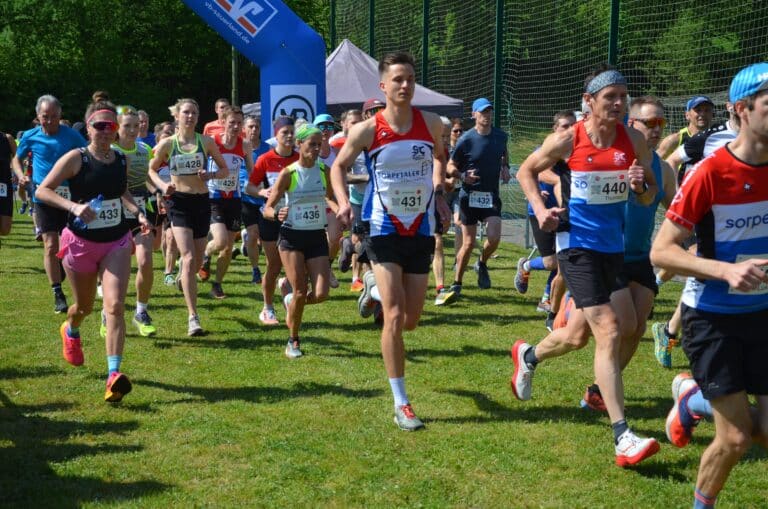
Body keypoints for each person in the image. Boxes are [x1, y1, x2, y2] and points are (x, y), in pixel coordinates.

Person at [513, 65, 660, 467]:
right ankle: (622, 435)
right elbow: (525, 170)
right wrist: (540, 209)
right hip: (576, 247)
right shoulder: (569, 138)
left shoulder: (633, 139)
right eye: (610, 97)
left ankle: (528, 356)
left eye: (623, 96)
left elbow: (650, 195)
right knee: (610, 330)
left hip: (612, 249)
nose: (618, 103)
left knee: (584, 335)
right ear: (589, 101)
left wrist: (640, 187)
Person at [650, 62, 768, 509]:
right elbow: (662, 252)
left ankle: (694, 401)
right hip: (713, 317)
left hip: (763, 313)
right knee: (736, 437)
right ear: (742, 109)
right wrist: (725, 271)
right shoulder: (710, 173)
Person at [331, 51, 451, 431]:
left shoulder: (432, 123)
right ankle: (402, 402)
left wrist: (440, 194)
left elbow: (440, 158)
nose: (405, 85)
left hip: (420, 228)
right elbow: (338, 166)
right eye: (398, 79)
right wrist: (342, 204)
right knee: (395, 317)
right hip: (382, 227)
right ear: (383, 86)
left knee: (411, 321)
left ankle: (373, 288)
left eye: (410, 78)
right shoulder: (367, 130)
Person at [35, 101, 150, 402]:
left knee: (114, 306)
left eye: (111, 126)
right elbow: (42, 190)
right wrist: (73, 207)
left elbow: (121, 191)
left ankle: (113, 376)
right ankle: (71, 329)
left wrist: (138, 212)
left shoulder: (120, 159)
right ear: (88, 128)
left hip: (116, 242)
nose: (106, 131)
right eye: (100, 126)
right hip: (80, 244)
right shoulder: (77, 158)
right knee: (84, 307)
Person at [651, 103, 741, 368]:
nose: (702, 115)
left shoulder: (759, 138)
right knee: (698, 264)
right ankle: (672, 330)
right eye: (697, 110)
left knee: (709, 272)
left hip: (738, 218)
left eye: (706, 110)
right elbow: (670, 160)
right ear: (733, 106)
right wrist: (680, 195)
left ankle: (668, 327)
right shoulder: (705, 138)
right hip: (701, 217)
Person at [148, 98, 230, 336]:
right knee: (188, 256)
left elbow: (225, 170)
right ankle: (193, 317)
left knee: (195, 262)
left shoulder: (206, 142)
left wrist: (210, 175)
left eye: (194, 112)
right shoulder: (168, 143)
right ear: (177, 116)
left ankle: (183, 278)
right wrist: (162, 186)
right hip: (179, 202)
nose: (190, 116)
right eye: (186, 112)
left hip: (201, 202)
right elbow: (150, 169)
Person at [263, 125, 336, 358]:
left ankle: (289, 300)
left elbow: (330, 197)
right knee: (301, 291)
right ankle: (293, 340)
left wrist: (341, 210)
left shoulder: (324, 170)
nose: (316, 149)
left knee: (322, 294)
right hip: (291, 236)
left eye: (319, 145)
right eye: (311, 144)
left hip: (316, 236)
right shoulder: (289, 173)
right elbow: (267, 208)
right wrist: (277, 213)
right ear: (299, 145)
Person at [13, 95, 87, 313]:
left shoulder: (72, 135)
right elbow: (16, 158)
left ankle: (62, 268)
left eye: (54, 116)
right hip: (43, 197)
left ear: (60, 115)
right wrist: (21, 175)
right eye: (45, 117)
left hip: (68, 198)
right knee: (51, 244)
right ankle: (58, 293)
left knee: (70, 245)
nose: (50, 121)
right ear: (38, 116)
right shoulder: (31, 136)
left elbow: (87, 155)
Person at [514, 110, 575, 327]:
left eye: (573, 125)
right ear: (554, 129)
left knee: (563, 260)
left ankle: (547, 299)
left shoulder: (573, 152)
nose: (570, 130)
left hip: (564, 214)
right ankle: (526, 265)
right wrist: (546, 190)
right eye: (564, 126)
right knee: (552, 262)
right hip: (541, 214)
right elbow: (536, 173)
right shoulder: (545, 151)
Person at [447, 97, 510, 295]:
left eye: (489, 111)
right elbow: (450, 166)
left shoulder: (500, 136)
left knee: (494, 238)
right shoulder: (466, 139)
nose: (487, 116)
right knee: (468, 243)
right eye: (482, 112)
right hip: (469, 196)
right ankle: (457, 282)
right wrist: (462, 176)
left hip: (490, 195)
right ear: (474, 115)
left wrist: (505, 167)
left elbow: (503, 154)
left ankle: (481, 262)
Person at [111, 105, 161, 337]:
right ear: (117, 127)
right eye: (127, 126)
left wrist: (159, 192)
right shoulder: (111, 151)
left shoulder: (144, 149)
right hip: (115, 213)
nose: (133, 130)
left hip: (141, 210)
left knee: (145, 260)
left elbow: (147, 178)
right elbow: (117, 186)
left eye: (136, 125)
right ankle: (107, 313)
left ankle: (141, 311)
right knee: (115, 268)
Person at [245, 116, 299, 326]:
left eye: (291, 132)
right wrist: (261, 192)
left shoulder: (300, 158)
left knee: (299, 264)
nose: (289, 136)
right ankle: (267, 308)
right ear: (276, 135)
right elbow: (249, 187)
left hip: (295, 217)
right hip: (270, 217)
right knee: (274, 265)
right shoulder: (265, 159)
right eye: (284, 132)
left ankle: (285, 286)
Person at [199, 106, 253, 298]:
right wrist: (203, 174)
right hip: (214, 198)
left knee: (228, 248)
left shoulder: (244, 145)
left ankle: (217, 285)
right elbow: (200, 163)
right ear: (223, 122)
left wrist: (259, 185)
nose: (236, 127)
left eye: (239, 123)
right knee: (220, 241)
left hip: (234, 199)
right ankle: (205, 255)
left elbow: (252, 170)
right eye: (232, 123)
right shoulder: (212, 142)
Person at [331, 108, 369, 292]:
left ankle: (369, 280)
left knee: (371, 240)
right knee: (361, 239)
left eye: (360, 122)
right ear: (343, 124)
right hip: (356, 199)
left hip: (377, 198)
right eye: (354, 122)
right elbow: (342, 174)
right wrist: (366, 178)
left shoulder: (368, 139)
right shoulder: (340, 144)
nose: (358, 126)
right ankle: (356, 277)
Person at [240, 114, 272, 284]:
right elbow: (237, 174)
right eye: (250, 127)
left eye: (256, 127)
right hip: (247, 199)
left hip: (266, 200)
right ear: (244, 129)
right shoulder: (239, 149)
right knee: (253, 235)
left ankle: (270, 270)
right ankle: (255, 270)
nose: (253, 130)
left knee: (268, 239)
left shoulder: (268, 149)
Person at [314, 113, 342, 289]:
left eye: (329, 126)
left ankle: (327, 266)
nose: (325, 130)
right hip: (311, 202)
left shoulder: (337, 152)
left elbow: (343, 176)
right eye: (321, 126)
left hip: (331, 200)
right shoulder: (309, 151)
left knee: (335, 238)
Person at [656, 95, 714, 161]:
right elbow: (652, 162)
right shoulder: (674, 140)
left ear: (712, 114)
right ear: (687, 115)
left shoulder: (717, 139)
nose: (703, 114)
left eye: (707, 110)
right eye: (698, 110)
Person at [1, 131, 18, 238]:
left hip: (4, 184)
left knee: (5, 229)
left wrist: (16, 174)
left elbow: (17, 158)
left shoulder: (7, 138)